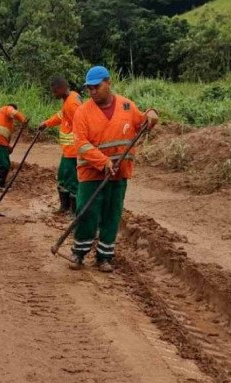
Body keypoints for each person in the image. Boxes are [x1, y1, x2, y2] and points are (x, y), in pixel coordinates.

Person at [70, 66, 158, 272]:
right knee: (86, 212)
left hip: (119, 175)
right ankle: (79, 253)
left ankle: (104, 257)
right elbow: (81, 144)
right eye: (89, 89)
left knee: (112, 214)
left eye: (96, 87)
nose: (92, 92)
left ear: (108, 83)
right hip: (91, 174)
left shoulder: (127, 106)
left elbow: (143, 123)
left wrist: (152, 115)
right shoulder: (82, 112)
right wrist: (103, 162)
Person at [38, 76, 82, 216]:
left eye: (55, 91)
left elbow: (82, 123)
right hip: (68, 150)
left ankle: (74, 212)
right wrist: (46, 123)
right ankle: (65, 207)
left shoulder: (72, 104)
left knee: (72, 179)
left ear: (62, 88)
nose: (54, 94)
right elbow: (61, 116)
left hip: (73, 151)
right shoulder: (69, 100)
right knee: (63, 177)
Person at [0, 103, 28, 192]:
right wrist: (23, 120)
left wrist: (7, 146)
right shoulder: (7, 108)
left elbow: (3, 133)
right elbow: (14, 112)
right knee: (4, 164)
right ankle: (0, 185)